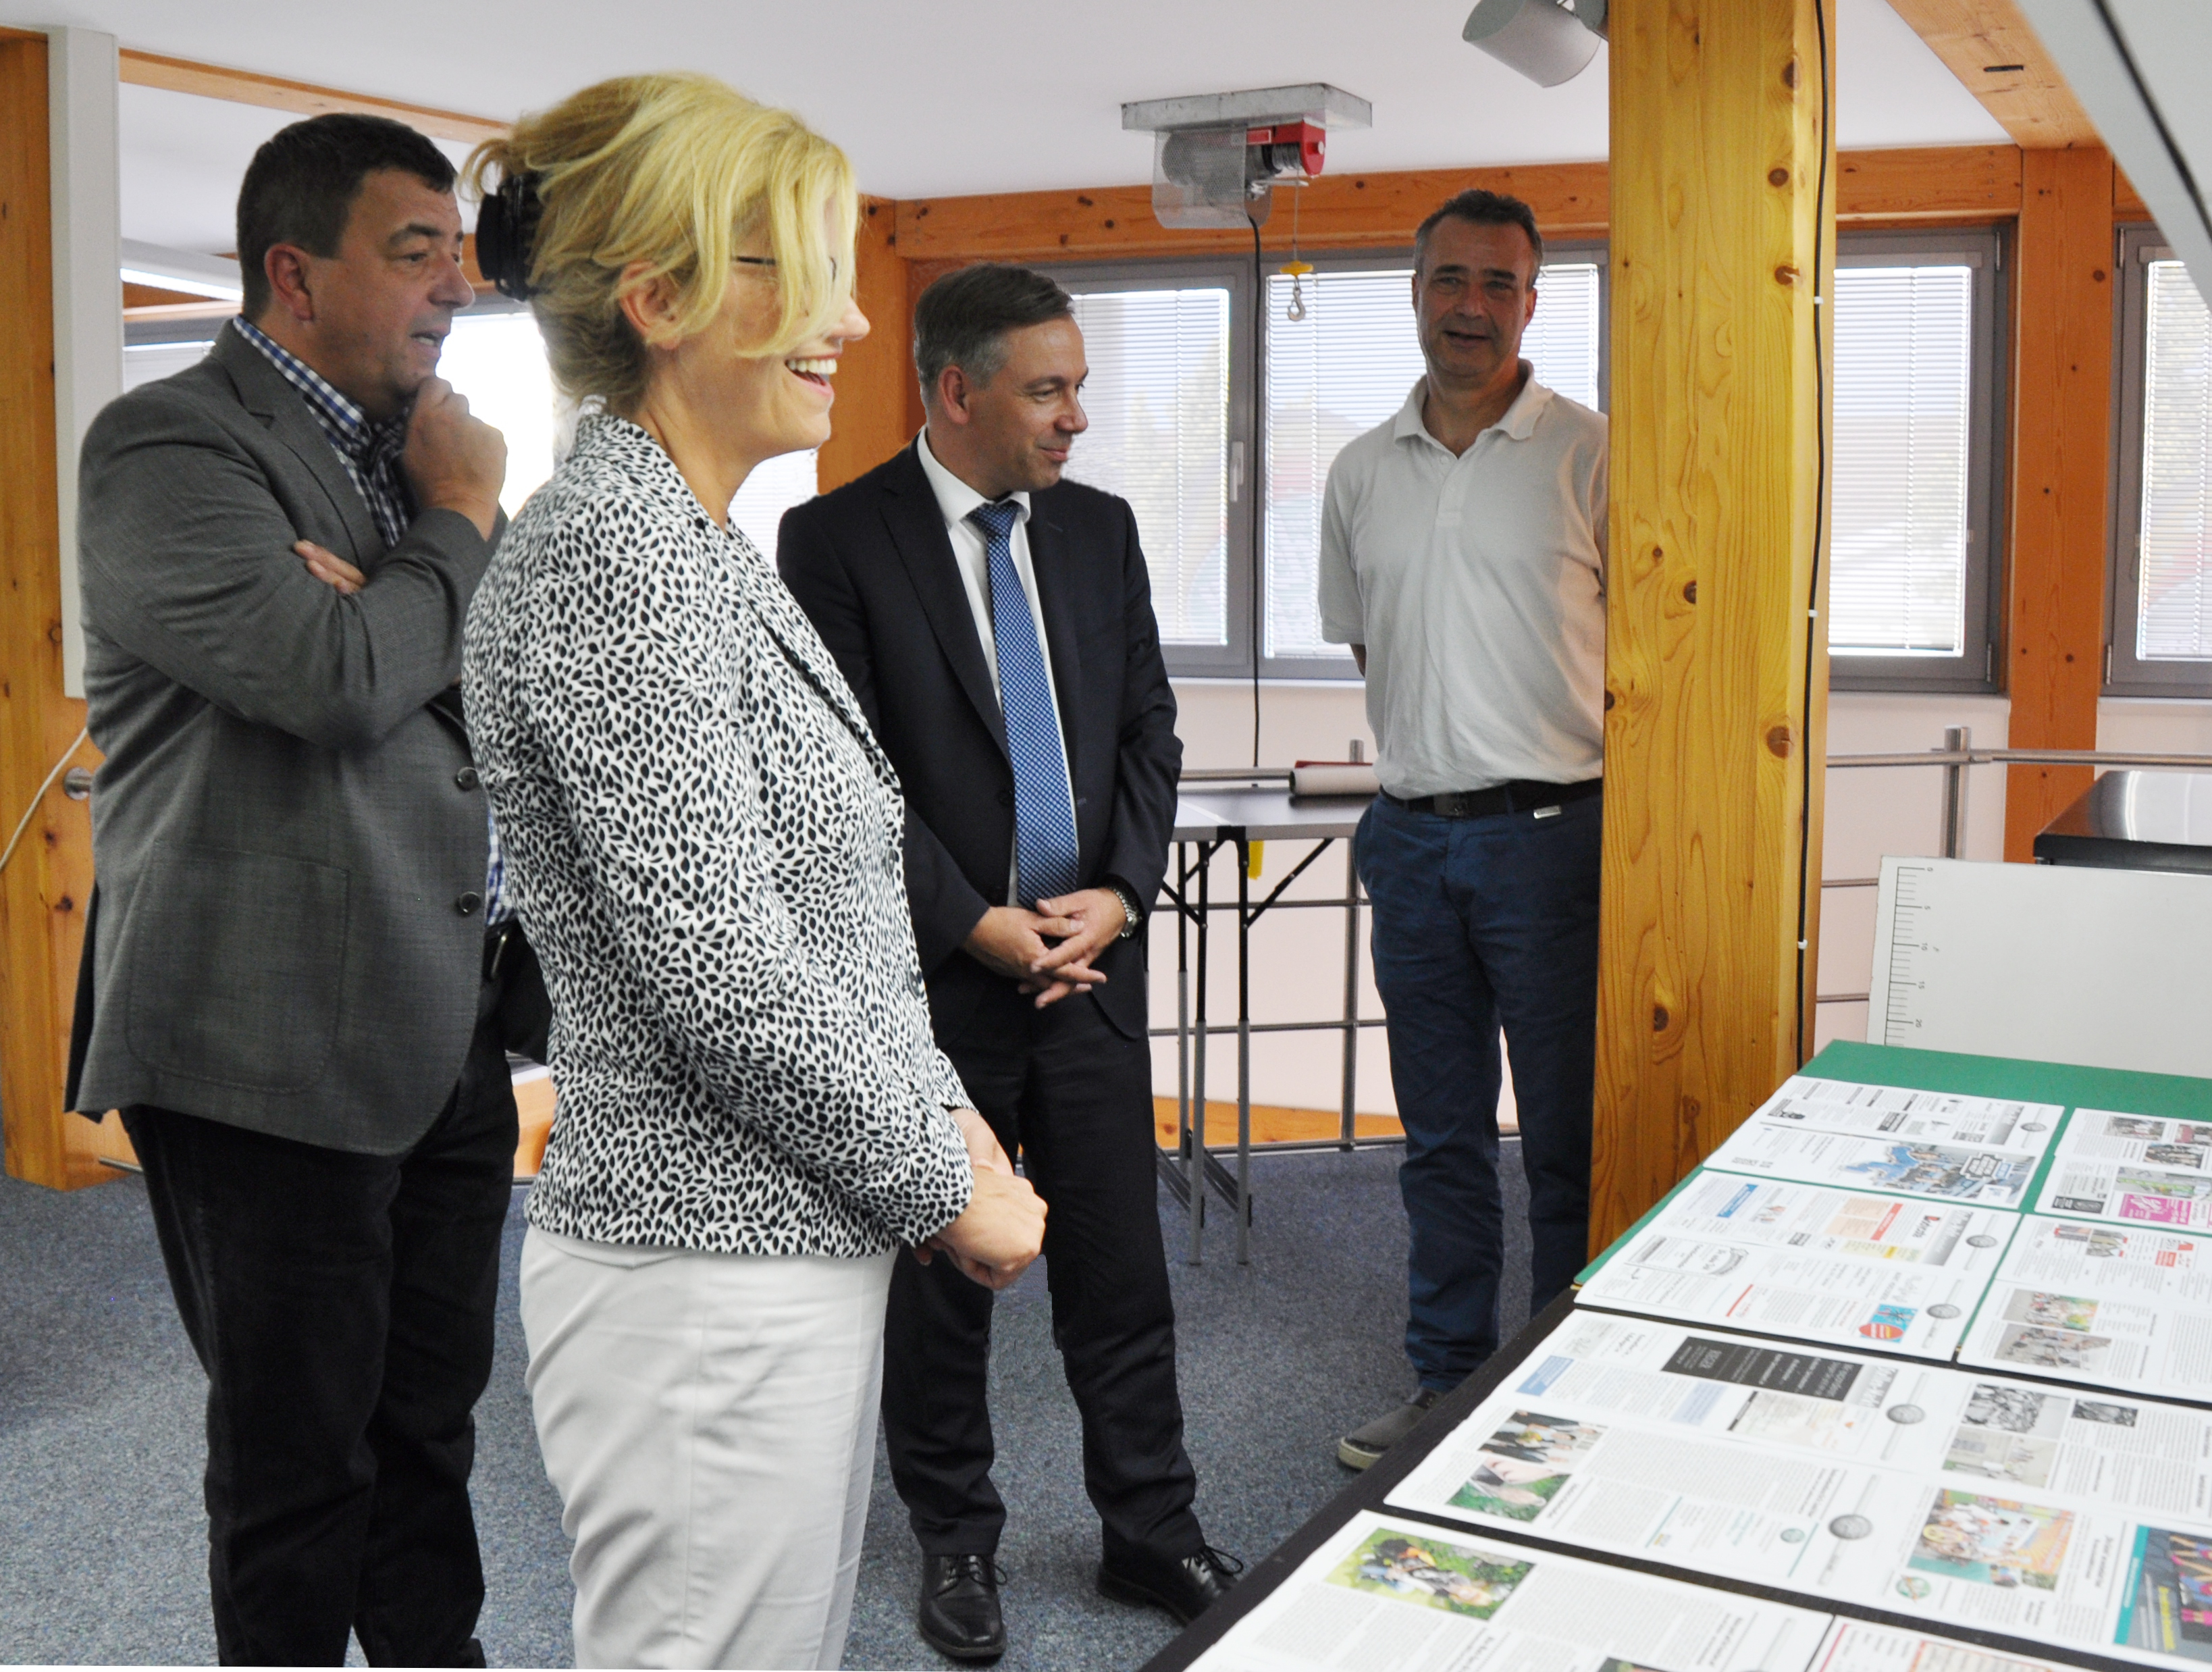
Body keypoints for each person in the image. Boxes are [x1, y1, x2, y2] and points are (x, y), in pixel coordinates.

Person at [459, 76, 1047, 1671]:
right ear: (658, 300)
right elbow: (720, 966)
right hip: (700, 1275)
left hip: (770, 1247)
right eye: (798, 269)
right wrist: (947, 1181)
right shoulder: (611, 553)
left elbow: (826, 916)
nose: (855, 320)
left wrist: (943, 1111)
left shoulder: (698, 536)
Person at [68, 113, 527, 1665]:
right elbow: (335, 681)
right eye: (414, 254)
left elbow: (493, 688)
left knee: (428, 1437)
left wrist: (406, 588)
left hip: (443, 1021)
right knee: (293, 1471)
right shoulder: (168, 447)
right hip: (260, 1045)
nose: (452, 286)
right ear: (291, 270)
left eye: (455, 255)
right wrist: (456, 531)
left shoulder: (404, 458)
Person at [779, 262, 1235, 1663]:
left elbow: (1148, 728)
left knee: (1121, 1270)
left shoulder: (1097, 532)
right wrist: (973, 917)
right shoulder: (833, 540)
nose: (1076, 417)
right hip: (934, 983)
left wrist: (1120, 892)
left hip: (1090, 971)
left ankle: (1150, 1527)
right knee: (940, 1288)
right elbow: (839, 779)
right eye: (1048, 389)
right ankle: (956, 1541)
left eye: (1080, 385)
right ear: (957, 388)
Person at [1319, 189, 1608, 1471]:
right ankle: (1448, 1389)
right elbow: (1376, 645)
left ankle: (1565, 1394)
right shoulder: (1358, 469)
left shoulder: (1592, 454)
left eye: (1500, 284)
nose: (1473, 307)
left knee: (1563, 1137)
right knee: (1437, 1138)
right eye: (1452, 281)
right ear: (1417, 293)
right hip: (1412, 843)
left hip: (1554, 840)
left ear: (1534, 302)